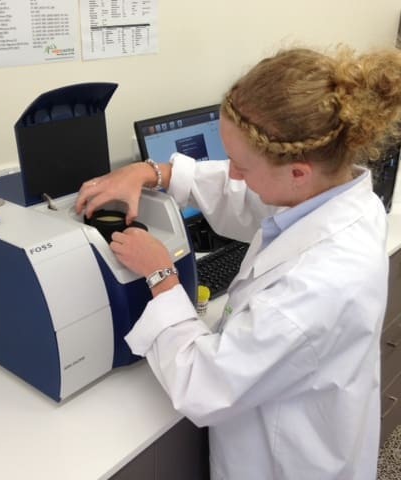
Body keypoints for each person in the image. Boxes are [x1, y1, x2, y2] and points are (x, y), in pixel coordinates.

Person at [76, 46, 401, 479]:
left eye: (241, 164)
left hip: (292, 464)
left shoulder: (323, 282)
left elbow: (203, 385)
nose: (232, 174)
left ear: (298, 171)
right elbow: (249, 199)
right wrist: (153, 172)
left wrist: (161, 276)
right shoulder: (335, 190)